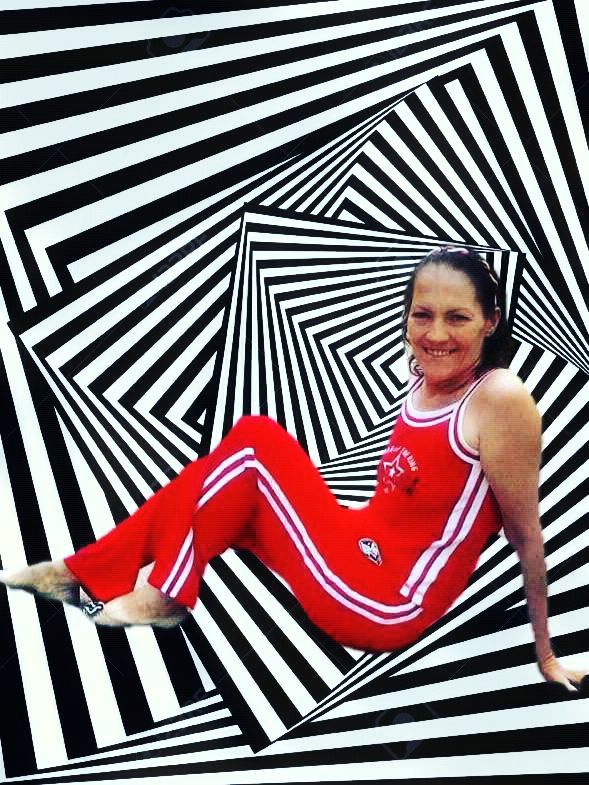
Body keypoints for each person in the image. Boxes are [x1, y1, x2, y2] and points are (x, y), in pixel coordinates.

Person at [1, 247, 586, 692]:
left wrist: (545, 655)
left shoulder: (499, 399)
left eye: (457, 318)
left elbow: (526, 534)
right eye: (422, 315)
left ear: (491, 321)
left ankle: (165, 593)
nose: (435, 334)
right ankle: (80, 572)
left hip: (388, 600)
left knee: (255, 441)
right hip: (357, 543)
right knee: (217, 479)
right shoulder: (425, 378)